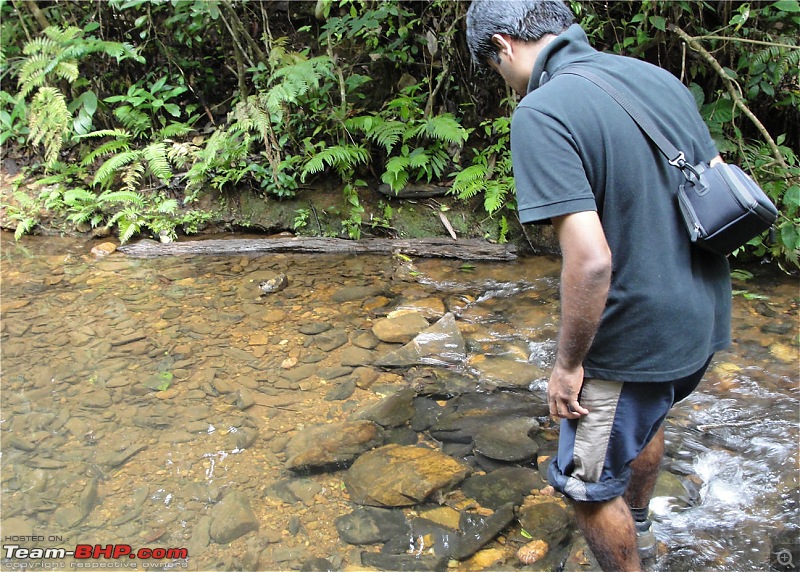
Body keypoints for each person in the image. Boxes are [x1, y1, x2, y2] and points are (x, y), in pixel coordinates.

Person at [466, 1, 732, 570]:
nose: (505, 82)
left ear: (504, 45)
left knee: (585, 487)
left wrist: (566, 367)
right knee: (646, 419)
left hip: (634, 335)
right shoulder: (654, 78)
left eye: (495, 68)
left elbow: (589, 262)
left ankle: (623, 543)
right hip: (702, 316)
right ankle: (638, 520)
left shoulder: (543, 111)